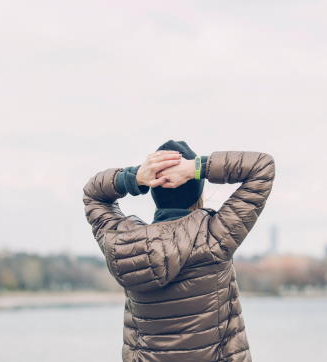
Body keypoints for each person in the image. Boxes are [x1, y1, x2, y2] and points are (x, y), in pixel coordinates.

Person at [82, 139, 276, 362]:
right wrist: (196, 168)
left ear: (154, 191)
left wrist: (134, 178)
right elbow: (262, 166)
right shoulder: (214, 236)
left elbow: (93, 195)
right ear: (196, 190)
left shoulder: (124, 245)